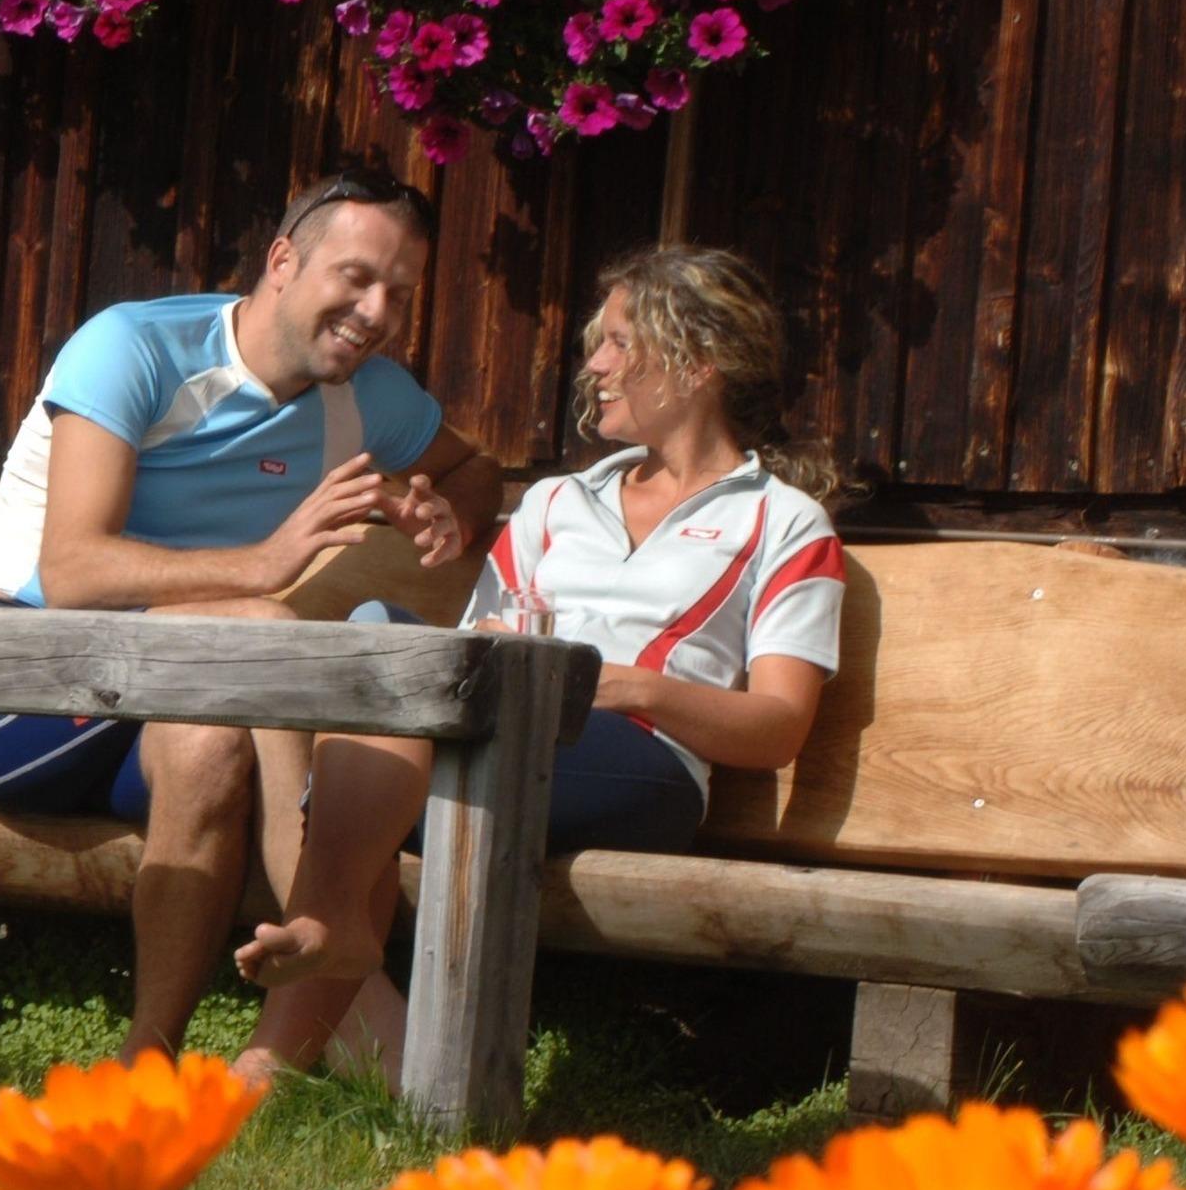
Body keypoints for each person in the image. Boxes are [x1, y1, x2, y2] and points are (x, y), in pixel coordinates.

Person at [0, 170, 502, 1075]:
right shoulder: (134, 348)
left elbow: (475, 470)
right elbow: (72, 573)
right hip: (12, 683)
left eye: (399, 293)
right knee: (259, 627)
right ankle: (324, 920)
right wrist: (264, 566)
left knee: (212, 734)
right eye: (356, 277)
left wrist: (449, 514)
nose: (376, 312)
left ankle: (150, 1061)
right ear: (283, 261)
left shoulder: (369, 397)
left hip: (173, 699)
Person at [238, 246, 843, 1010]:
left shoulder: (783, 521)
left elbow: (779, 728)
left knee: (381, 765)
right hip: (507, 735)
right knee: (383, 640)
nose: (596, 365)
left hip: (645, 768)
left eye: (620, 342)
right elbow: (469, 660)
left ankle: (325, 927)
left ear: (699, 364)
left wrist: (618, 687)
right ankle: (306, 981)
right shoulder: (558, 502)